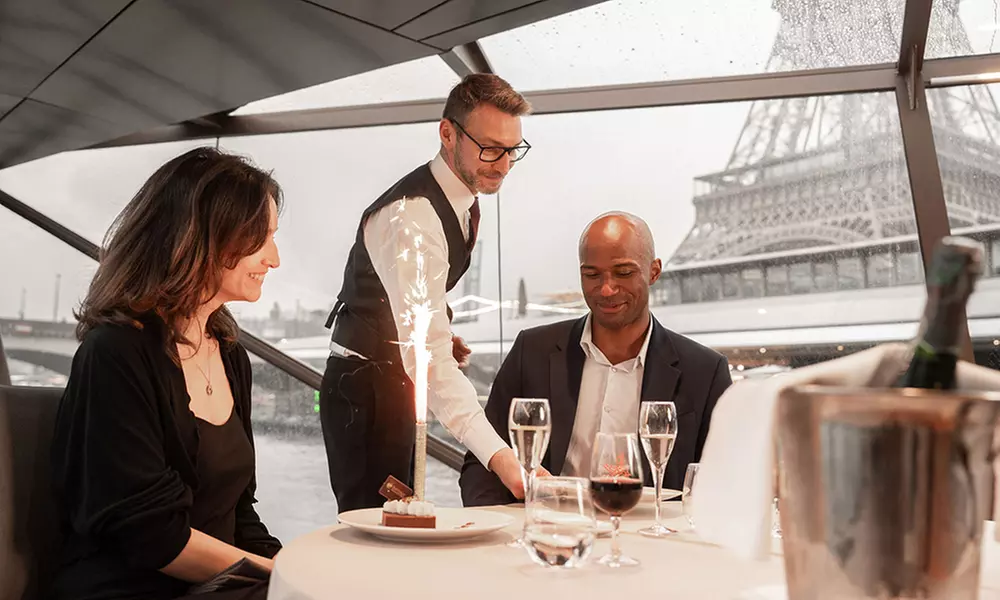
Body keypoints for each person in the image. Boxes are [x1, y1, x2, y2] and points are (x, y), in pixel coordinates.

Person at [48, 147, 283, 600]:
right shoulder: (114, 353)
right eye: (261, 238)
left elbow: (239, 511)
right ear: (205, 237)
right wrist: (278, 574)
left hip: (215, 587)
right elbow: (151, 535)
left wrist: (286, 563)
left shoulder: (231, 354)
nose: (274, 259)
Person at [320, 73, 532, 512]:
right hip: (366, 396)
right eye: (490, 148)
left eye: (513, 150)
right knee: (379, 534)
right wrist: (503, 459)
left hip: (393, 382)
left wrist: (431, 324)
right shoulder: (412, 216)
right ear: (447, 133)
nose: (503, 164)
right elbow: (428, 359)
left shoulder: (461, 201)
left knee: (405, 518)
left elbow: (412, 299)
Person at [459, 212, 733, 506]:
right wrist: (505, 533)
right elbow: (481, 464)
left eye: (624, 273)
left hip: (651, 544)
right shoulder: (532, 351)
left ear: (654, 272)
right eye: (592, 275)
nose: (606, 288)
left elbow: (725, 484)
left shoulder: (704, 372)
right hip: (549, 532)